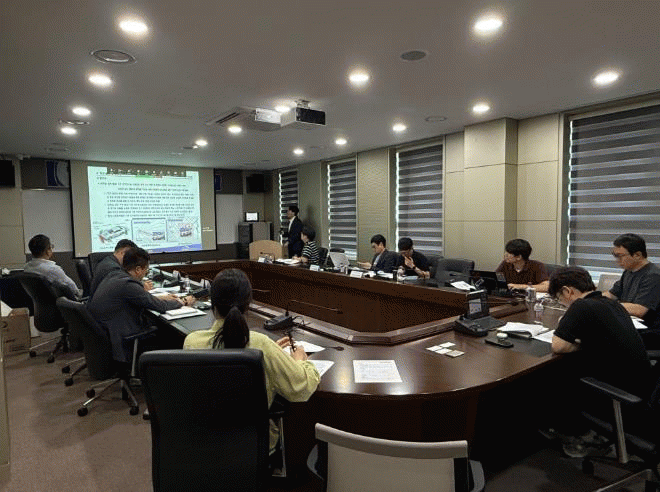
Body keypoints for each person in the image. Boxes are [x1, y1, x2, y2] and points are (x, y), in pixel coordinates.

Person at [183, 268, 320, 453]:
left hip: (206, 443)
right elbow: (301, 388)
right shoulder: (261, 344)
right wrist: (299, 361)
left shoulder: (191, 342)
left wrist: (272, 352)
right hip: (253, 447)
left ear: (212, 304)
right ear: (247, 305)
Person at [88, 247, 195, 364]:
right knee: (168, 333)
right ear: (138, 269)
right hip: (123, 338)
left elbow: (139, 298)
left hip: (107, 333)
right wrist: (183, 301)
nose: (145, 274)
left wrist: (162, 297)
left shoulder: (115, 275)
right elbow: (160, 307)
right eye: (146, 270)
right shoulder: (128, 284)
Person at [603, 233, 660, 332]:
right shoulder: (629, 271)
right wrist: (591, 299)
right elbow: (612, 294)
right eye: (615, 255)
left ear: (637, 255)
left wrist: (606, 305)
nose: (617, 260)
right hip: (629, 323)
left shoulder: (653, 276)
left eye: (620, 256)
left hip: (647, 330)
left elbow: (640, 310)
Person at [23, 234, 81, 299]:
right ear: (47, 251)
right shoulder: (53, 269)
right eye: (51, 247)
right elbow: (73, 289)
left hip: (38, 303)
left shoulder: (27, 267)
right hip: (59, 303)